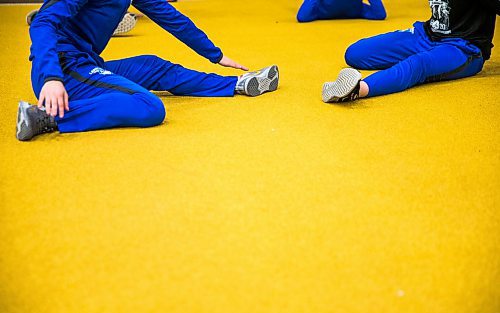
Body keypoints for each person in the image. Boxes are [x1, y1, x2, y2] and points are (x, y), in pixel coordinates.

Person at [16, 0, 279, 141]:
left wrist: (215, 54)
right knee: (149, 106)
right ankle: (45, 117)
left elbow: (171, 18)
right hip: (62, 73)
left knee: (153, 66)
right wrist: (51, 78)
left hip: (87, 64)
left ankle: (236, 84)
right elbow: (42, 22)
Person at [322, 0, 499, 103]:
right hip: (427, 34)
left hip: (463, 47)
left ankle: (357, 90)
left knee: (418, 64)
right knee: (355, 53)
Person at [297, 0, 386, 23]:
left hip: (355, 10)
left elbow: (380, 15)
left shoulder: (359, 10)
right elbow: (302, 17)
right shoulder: (318, 11)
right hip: (323, 11)